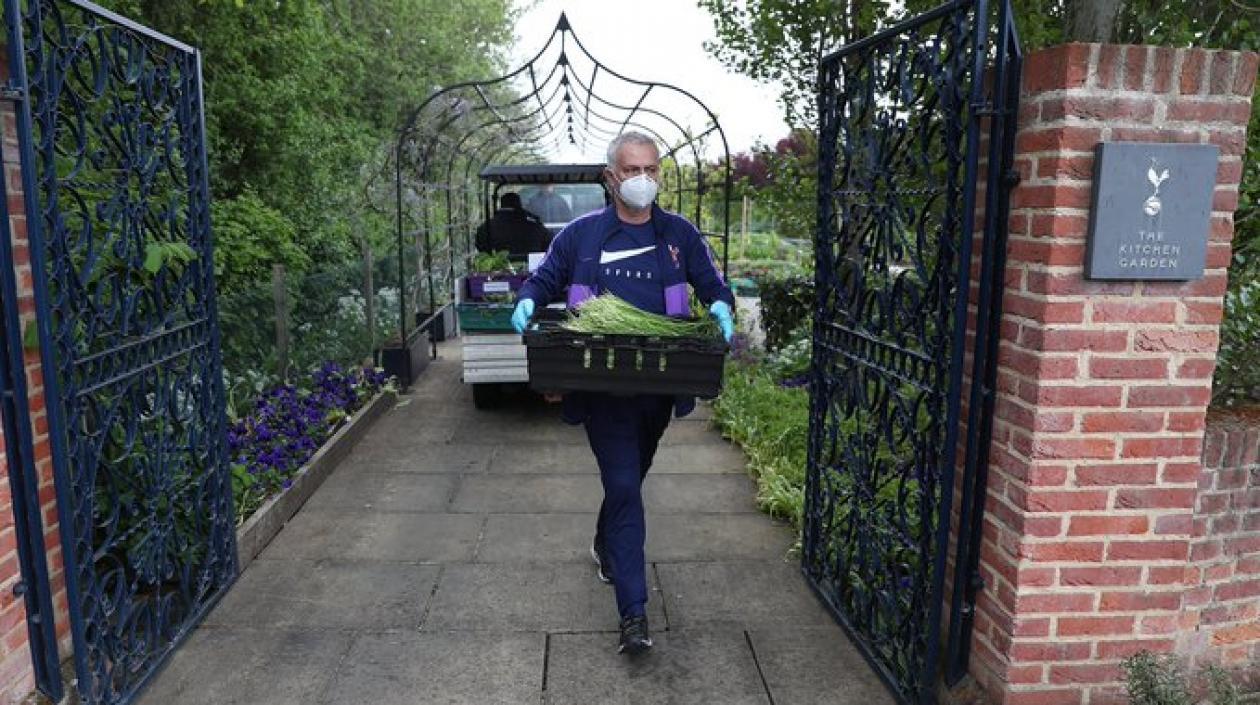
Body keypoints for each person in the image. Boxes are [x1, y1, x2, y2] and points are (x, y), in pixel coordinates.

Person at [511, 131, 735, 655]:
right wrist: (526, 301)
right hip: (601, 382)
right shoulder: (580, 235)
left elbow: (711, 284)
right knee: (626, 485)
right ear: (611, 177)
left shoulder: (679, 234)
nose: (643, 180)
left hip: (658, 385)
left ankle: (605, 541)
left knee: (630, 478)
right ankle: (633, 613)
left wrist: (722, 306)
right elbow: (544, 281)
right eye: (632, 170)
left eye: (652, 170)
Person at [475, 192, 551, 257]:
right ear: (519, 205)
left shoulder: (485, 228)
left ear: (502, 205)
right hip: (532, 270)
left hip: (497, 270)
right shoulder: (535, 227)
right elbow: (548, 242)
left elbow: (481, 248)